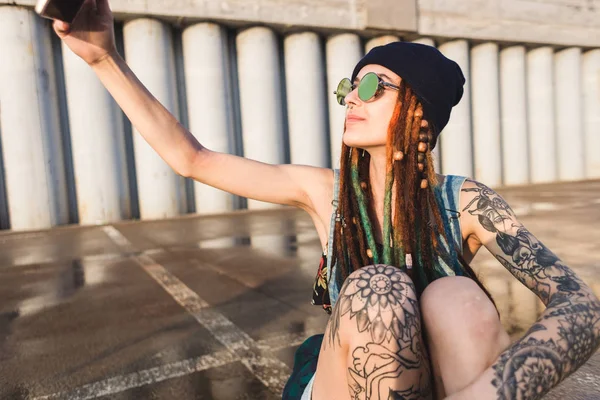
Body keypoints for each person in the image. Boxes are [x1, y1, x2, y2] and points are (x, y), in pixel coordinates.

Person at [52, 1, 600, 399]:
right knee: (377, 288)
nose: (350, 101)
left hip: (440, 381)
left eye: (370, 88)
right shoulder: (325, 192)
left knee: (457, 297)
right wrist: (104, 60)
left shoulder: (466, 203)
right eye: (348, 88)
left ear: (419, 113)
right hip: (344, 385)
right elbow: (192, 159)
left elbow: (580, 305)